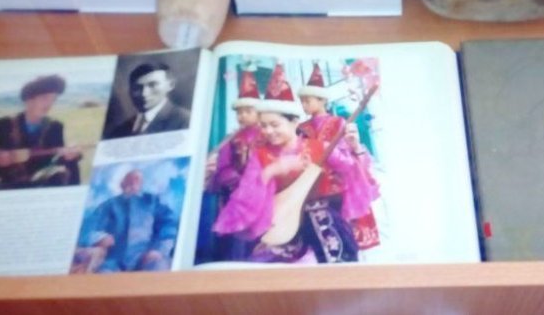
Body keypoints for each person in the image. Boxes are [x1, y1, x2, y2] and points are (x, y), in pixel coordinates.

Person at [212, 63, 378, 263]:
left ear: (294, 122)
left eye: (275, 125)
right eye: (263, 126)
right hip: (281, 226)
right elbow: (247, 193)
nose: (268, 131)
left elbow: (353, 170)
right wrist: (271, 171)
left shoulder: (320, 147)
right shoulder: (261, 155)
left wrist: (356, 147)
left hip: (325, 223)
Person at [297, 62, 381, 250]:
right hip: (313, 184)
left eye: (308, 100)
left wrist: (324, 149)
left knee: (343, 229)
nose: (304, 105)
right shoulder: (301, 128)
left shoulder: (337, 122)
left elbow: (346, 154)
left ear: (322, 100)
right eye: (302, 101)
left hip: (338, 183)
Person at [0, 74, 81, 191]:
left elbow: (55, 156)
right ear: (29, 100)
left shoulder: (55, 127)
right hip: (6, 187)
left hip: (41, 184)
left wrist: (69, 156)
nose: (49, 104)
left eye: (53, 99)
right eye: (44, 98)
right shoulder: (2, 125)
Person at [204, 62, 265, 260]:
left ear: (258, 112)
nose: (242, 116)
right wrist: (236, 181)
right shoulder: (232, 139)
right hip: (236, 194)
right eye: (239, 112)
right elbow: (223, 166)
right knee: (236, 242)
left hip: (263, 194)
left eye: (248, 111)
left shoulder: (266, 135)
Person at [82, 169, 178, 272]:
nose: (133, 183)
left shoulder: (152, 201)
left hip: (146, 257)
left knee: (158, 268)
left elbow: (169, 224)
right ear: (122, 184)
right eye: (129, 180)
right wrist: (98, 237)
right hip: (113, 261)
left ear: (141, 184)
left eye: (137, 180)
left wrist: (158, 249)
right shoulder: (109, 205)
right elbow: (88, 227)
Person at [104, 62, 190, 139]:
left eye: (152, 85)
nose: (144, 93)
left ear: (171, 85)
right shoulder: (120, 130)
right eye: (137, 88)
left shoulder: (184, 120)